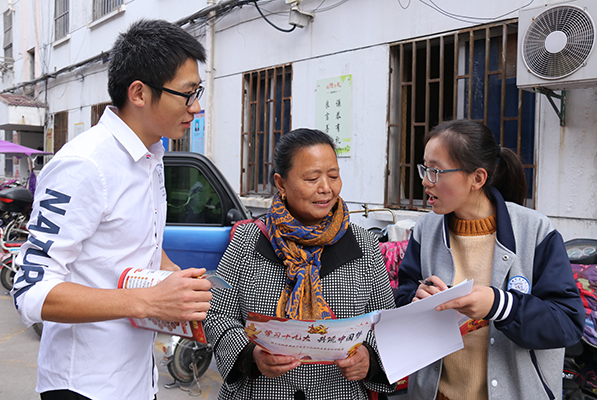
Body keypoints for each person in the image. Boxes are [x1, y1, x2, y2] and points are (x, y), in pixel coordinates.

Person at [10, 20, 212, 400]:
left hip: (136, 379)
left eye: (197, 92)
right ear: (139, 92)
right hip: (83, 385)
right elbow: (32, 290)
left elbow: (133, 243)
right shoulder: (85, 165)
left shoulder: (151, 156)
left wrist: (176, 278)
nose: (196, 107)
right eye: (187, 94)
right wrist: (148, 300)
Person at [394, 119, 585, 400]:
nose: (425, 180)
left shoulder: (535, 231)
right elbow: (404, 297)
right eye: (425, 168)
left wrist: (500, 305)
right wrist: (416, 301)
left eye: (435, 171)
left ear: (477, 179)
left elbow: (566, 325)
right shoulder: (425, 230)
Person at [203, 128, 396, 399]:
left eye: (333, 176)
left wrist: (368, 358)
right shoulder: (249, 240)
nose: (326, 188)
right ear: (281, 183)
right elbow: (216, 315)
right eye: (311, 178)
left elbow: (386, 322)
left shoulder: (363, 245)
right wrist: (252, 356)